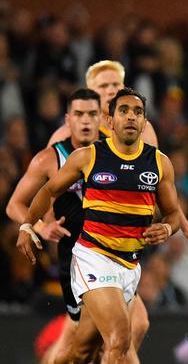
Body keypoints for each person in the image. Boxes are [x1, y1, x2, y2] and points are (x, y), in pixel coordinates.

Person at [47, 60, 188, 360]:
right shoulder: (68, 135)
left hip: (125, 250)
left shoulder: (142, 133)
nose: (110, 90)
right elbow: (48, 188)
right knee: (105, 337)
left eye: (114, 85)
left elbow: (164, 192)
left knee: (109, 337)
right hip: (84, 246)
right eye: (102, 86)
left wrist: (186, 230)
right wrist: (41, 225)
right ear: (90, 91)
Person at [17, 88, 181, 363]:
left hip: (130, 265)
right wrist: (26, 226)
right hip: (93, 258)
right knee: (120, 337)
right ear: (110, 120)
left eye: (138, 112)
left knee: (83, 349)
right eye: (124, 111)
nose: (131, 117)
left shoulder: (159, 163)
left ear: (145, 122)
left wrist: (166, 228)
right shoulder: (88, 157)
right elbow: (49, 191)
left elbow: (173, 213)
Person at [6, 88, 104, 363]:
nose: (85, 121)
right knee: (90, 343)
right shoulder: (50, 158)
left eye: (92, 114)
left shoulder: (117, 153)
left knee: (114, 338)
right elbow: (15, 205)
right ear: (67, 120)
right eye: (79, 114)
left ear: (101, 118)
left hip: (115, 258)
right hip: (75, 262)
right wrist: (40, 227)